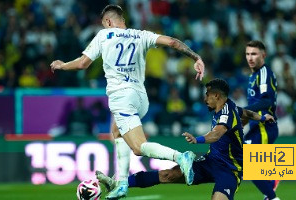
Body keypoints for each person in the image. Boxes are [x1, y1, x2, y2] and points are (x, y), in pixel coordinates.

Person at [50, 5, 205, 199]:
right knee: (117, 132)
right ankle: (122, 183)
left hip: (122, 97)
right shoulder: (141, 35)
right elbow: (173, 42)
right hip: (141, 98)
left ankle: (180, 156)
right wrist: (196, 57)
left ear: (107, 22)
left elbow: (83, 63)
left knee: (139, 147)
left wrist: (63, 65)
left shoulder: (104, 36)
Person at [96, 78, 275, 200]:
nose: (205, 98)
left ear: (217, 96)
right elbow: (247, 112)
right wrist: (261, 118)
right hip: (211, 162)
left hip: (230, 170)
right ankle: (120, 183)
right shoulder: (232, 107)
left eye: (207, 95)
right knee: (168, 174)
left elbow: (217, 134)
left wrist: (197, 140)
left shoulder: (227, 114)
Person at [244, 40, 280, 200]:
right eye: (247, 54)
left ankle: (272, 196)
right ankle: (271, 187)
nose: (250, 58)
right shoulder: (253, 76)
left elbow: (267, 100)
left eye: (254, 54)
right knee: (249, 163)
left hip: (264, 126)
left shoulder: (264, 72)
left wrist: (243, 111)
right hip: (256, 127)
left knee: (248, 163)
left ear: (263, 55)